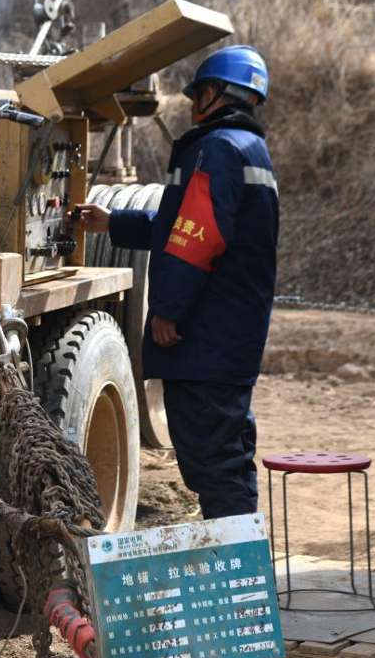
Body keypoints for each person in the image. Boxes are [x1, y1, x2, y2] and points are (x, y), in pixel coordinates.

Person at [72, 45, 279, 519]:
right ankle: (236, 567)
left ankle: (235, 576)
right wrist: (113, 223)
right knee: (221, 452)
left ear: (212, 93)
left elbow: (196, 239)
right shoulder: (248, 149)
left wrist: (167, 309)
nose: (190, 105)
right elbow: (183, 223)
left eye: (195, 95)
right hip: (230, 334)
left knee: (215, 458)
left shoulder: (218, 149)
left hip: (208, 335)